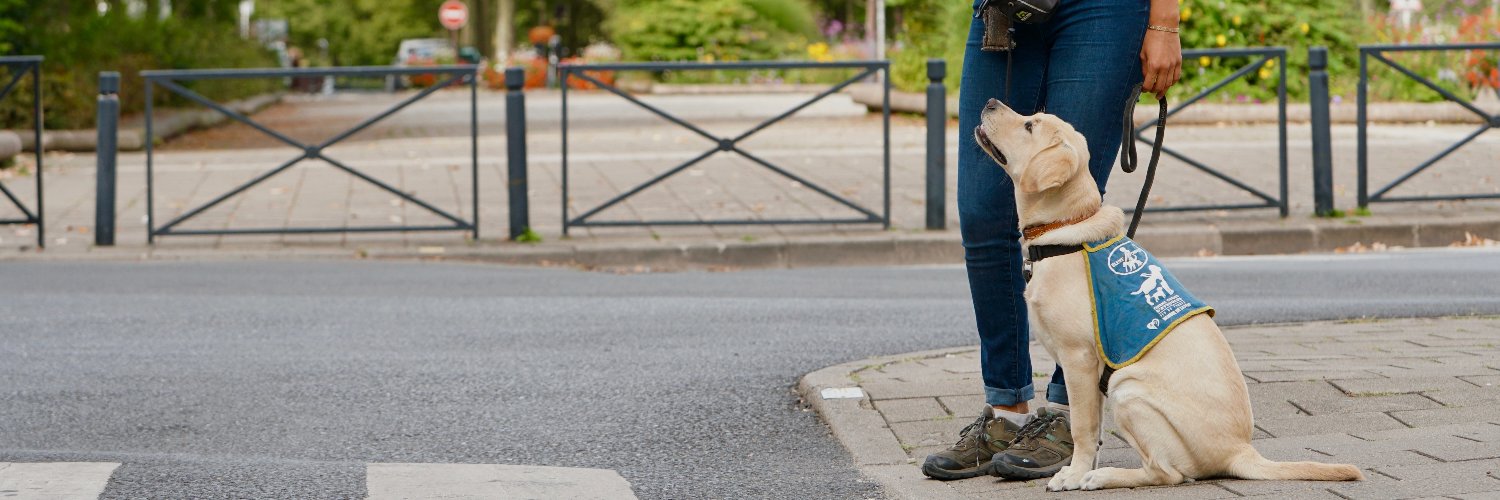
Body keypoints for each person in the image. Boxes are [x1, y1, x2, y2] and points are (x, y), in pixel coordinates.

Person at [921, 0, 1182, 481]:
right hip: (1005, 8)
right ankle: (1006, 410)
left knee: (1072, 210)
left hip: (1105, 11)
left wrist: (1163, 21)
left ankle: (1067, 416)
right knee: (982, 214)